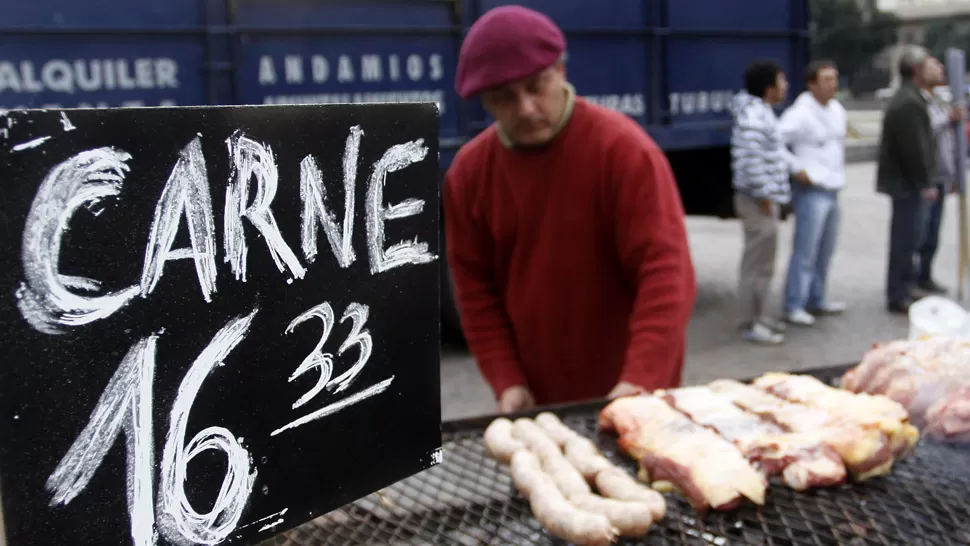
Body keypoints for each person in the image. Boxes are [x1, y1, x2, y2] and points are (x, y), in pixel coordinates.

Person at [444, 5, 697, 412]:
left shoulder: (624, 151)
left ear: (560, 70)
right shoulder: (469, 175)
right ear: (484, 102)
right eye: (504, 98)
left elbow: (666, 274)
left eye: (535, 86)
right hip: (537, 401)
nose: (526, 108)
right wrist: (506, 379)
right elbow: (475, 290)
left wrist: (639, 381)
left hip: (637, 396)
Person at [730, 60, 808, 345]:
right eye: (782, 80)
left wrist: (795, 168)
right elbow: (750, 162)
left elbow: (772, 152)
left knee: (764, 263)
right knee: (757, 263)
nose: (786, 85)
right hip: (757, 201)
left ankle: (761, 318)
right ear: (769, 88)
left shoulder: (761, 114)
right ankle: (751, 323)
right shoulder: (754, 118)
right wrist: (764, 195)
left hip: (763, 199)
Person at [778, 60, 848, 327]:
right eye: (827, 80)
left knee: (825, 249)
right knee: (805, 251)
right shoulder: (800, 113)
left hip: (833, 187)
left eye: (835, 79)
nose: (833, 85)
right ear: (812, 84)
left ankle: (817, 298)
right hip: (812, 189)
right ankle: (794, 303)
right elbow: (776, 143)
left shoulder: (836, 110)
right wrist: (797, 168)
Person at [877, 47, 942, 314]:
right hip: (907, 186)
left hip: (908, 184)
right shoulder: (909, 102)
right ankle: (898, 293)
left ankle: (905, 288)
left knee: (911, 239)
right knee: (905, 240)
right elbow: (914, 149)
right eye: (928, 64)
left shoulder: (913, 98)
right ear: (916, 70)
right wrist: (925, 182)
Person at [917, 73, 964, 296]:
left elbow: (950, 140)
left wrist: (954, 174)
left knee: (933, 232)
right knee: (921, 232)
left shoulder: (938, 99)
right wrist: (948, 118)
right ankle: (912, 279)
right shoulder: (917, 101)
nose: (941, 69)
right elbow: (924, 130)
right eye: (933, 66)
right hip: (926, 178)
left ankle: (925, 276)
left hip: (941, 177)